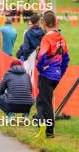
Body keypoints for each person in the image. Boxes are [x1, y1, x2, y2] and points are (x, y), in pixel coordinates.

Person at [36, 10, 70, 138]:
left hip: (47, 75)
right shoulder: (61, 38)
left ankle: (49, 131)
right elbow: (66, 58)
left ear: (44, 23)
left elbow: (41, 55)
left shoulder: (47, 38)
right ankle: (41, 123)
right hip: (56, 75)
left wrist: (40, 68)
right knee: (40, 100)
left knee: (45, 103)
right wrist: (61, 72)